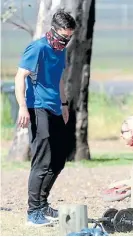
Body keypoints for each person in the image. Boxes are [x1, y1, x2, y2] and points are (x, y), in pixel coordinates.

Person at [14, 10, 76, 226]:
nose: (65, 42)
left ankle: (42, 203)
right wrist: (22, 107)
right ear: (53, 30)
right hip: (37, 107)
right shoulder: (38, 47)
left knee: (59, 160)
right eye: (62, 37)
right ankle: (33, 213)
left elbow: (59, 79)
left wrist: (65, 103)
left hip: (55, 108)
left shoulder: (60, 51)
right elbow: (20, 76)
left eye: (69, 38)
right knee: (42, 160)